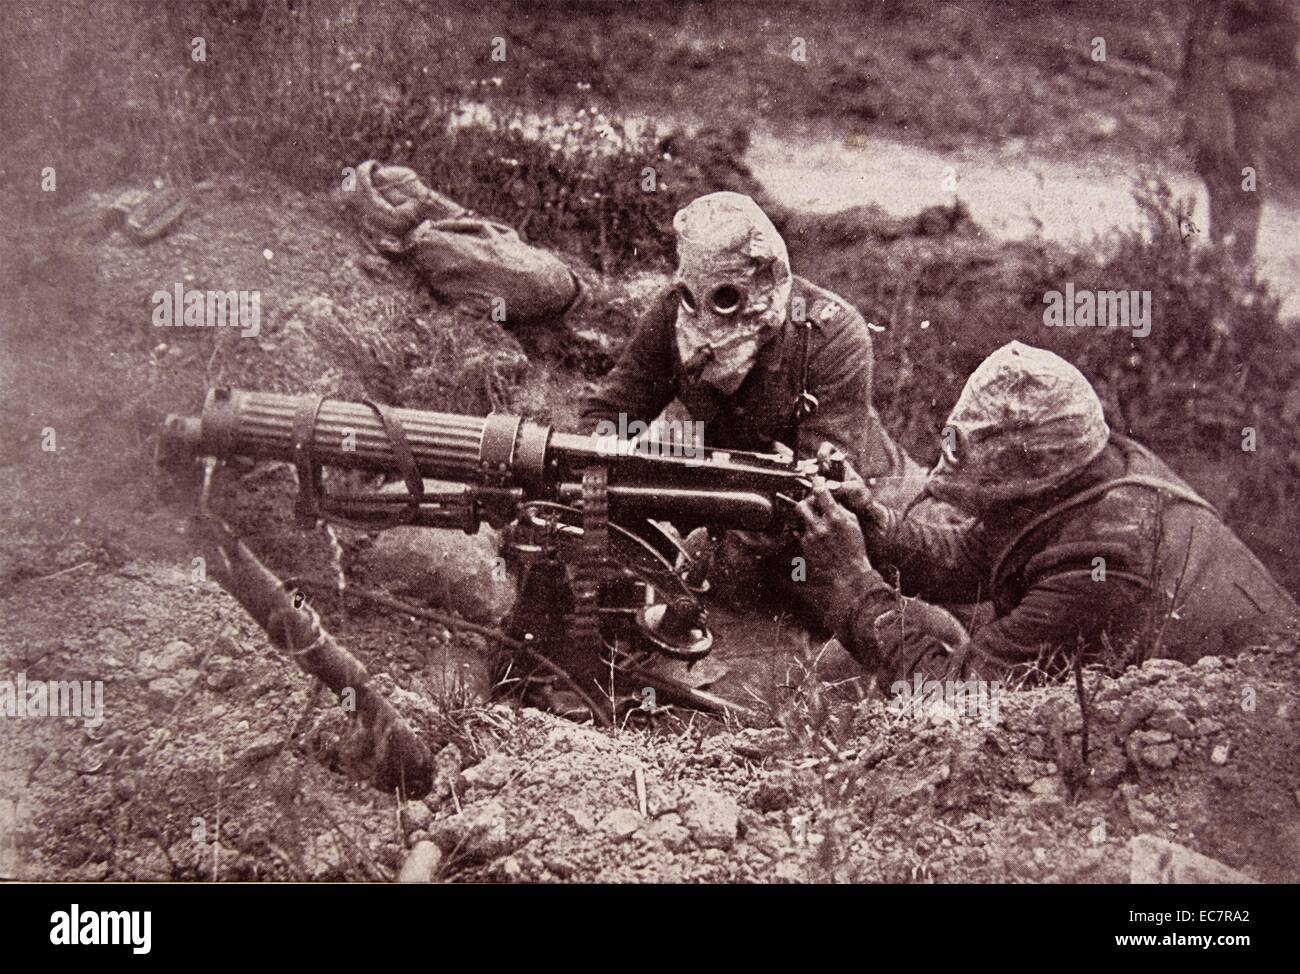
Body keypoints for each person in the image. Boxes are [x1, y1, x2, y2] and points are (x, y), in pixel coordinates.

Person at [796, 341, 1299, 685]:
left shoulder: (1105, 557)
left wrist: (854, 583)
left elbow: (960, 697)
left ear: (1030, 476)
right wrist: (872, 525)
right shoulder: (1085, 465)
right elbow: (972, 557)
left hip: (1248, 707)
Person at [579, 191, 923, 505]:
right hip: (741, 495)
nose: (704, 316)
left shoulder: (831, 337)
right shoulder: (673, 312)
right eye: (691, 294)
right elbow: (612, 415)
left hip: (874, 507)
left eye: (726, 297)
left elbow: (819, 487)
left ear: (766, 281)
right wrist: (594, 476)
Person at [1180, 0, 1299, 263]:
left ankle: (1240, 254)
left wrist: (1232, 45)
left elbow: (1286, 32)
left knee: (1246, 163)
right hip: (1214, 76)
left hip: (1251, 83)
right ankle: (1220, 244)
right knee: (1210, 158)